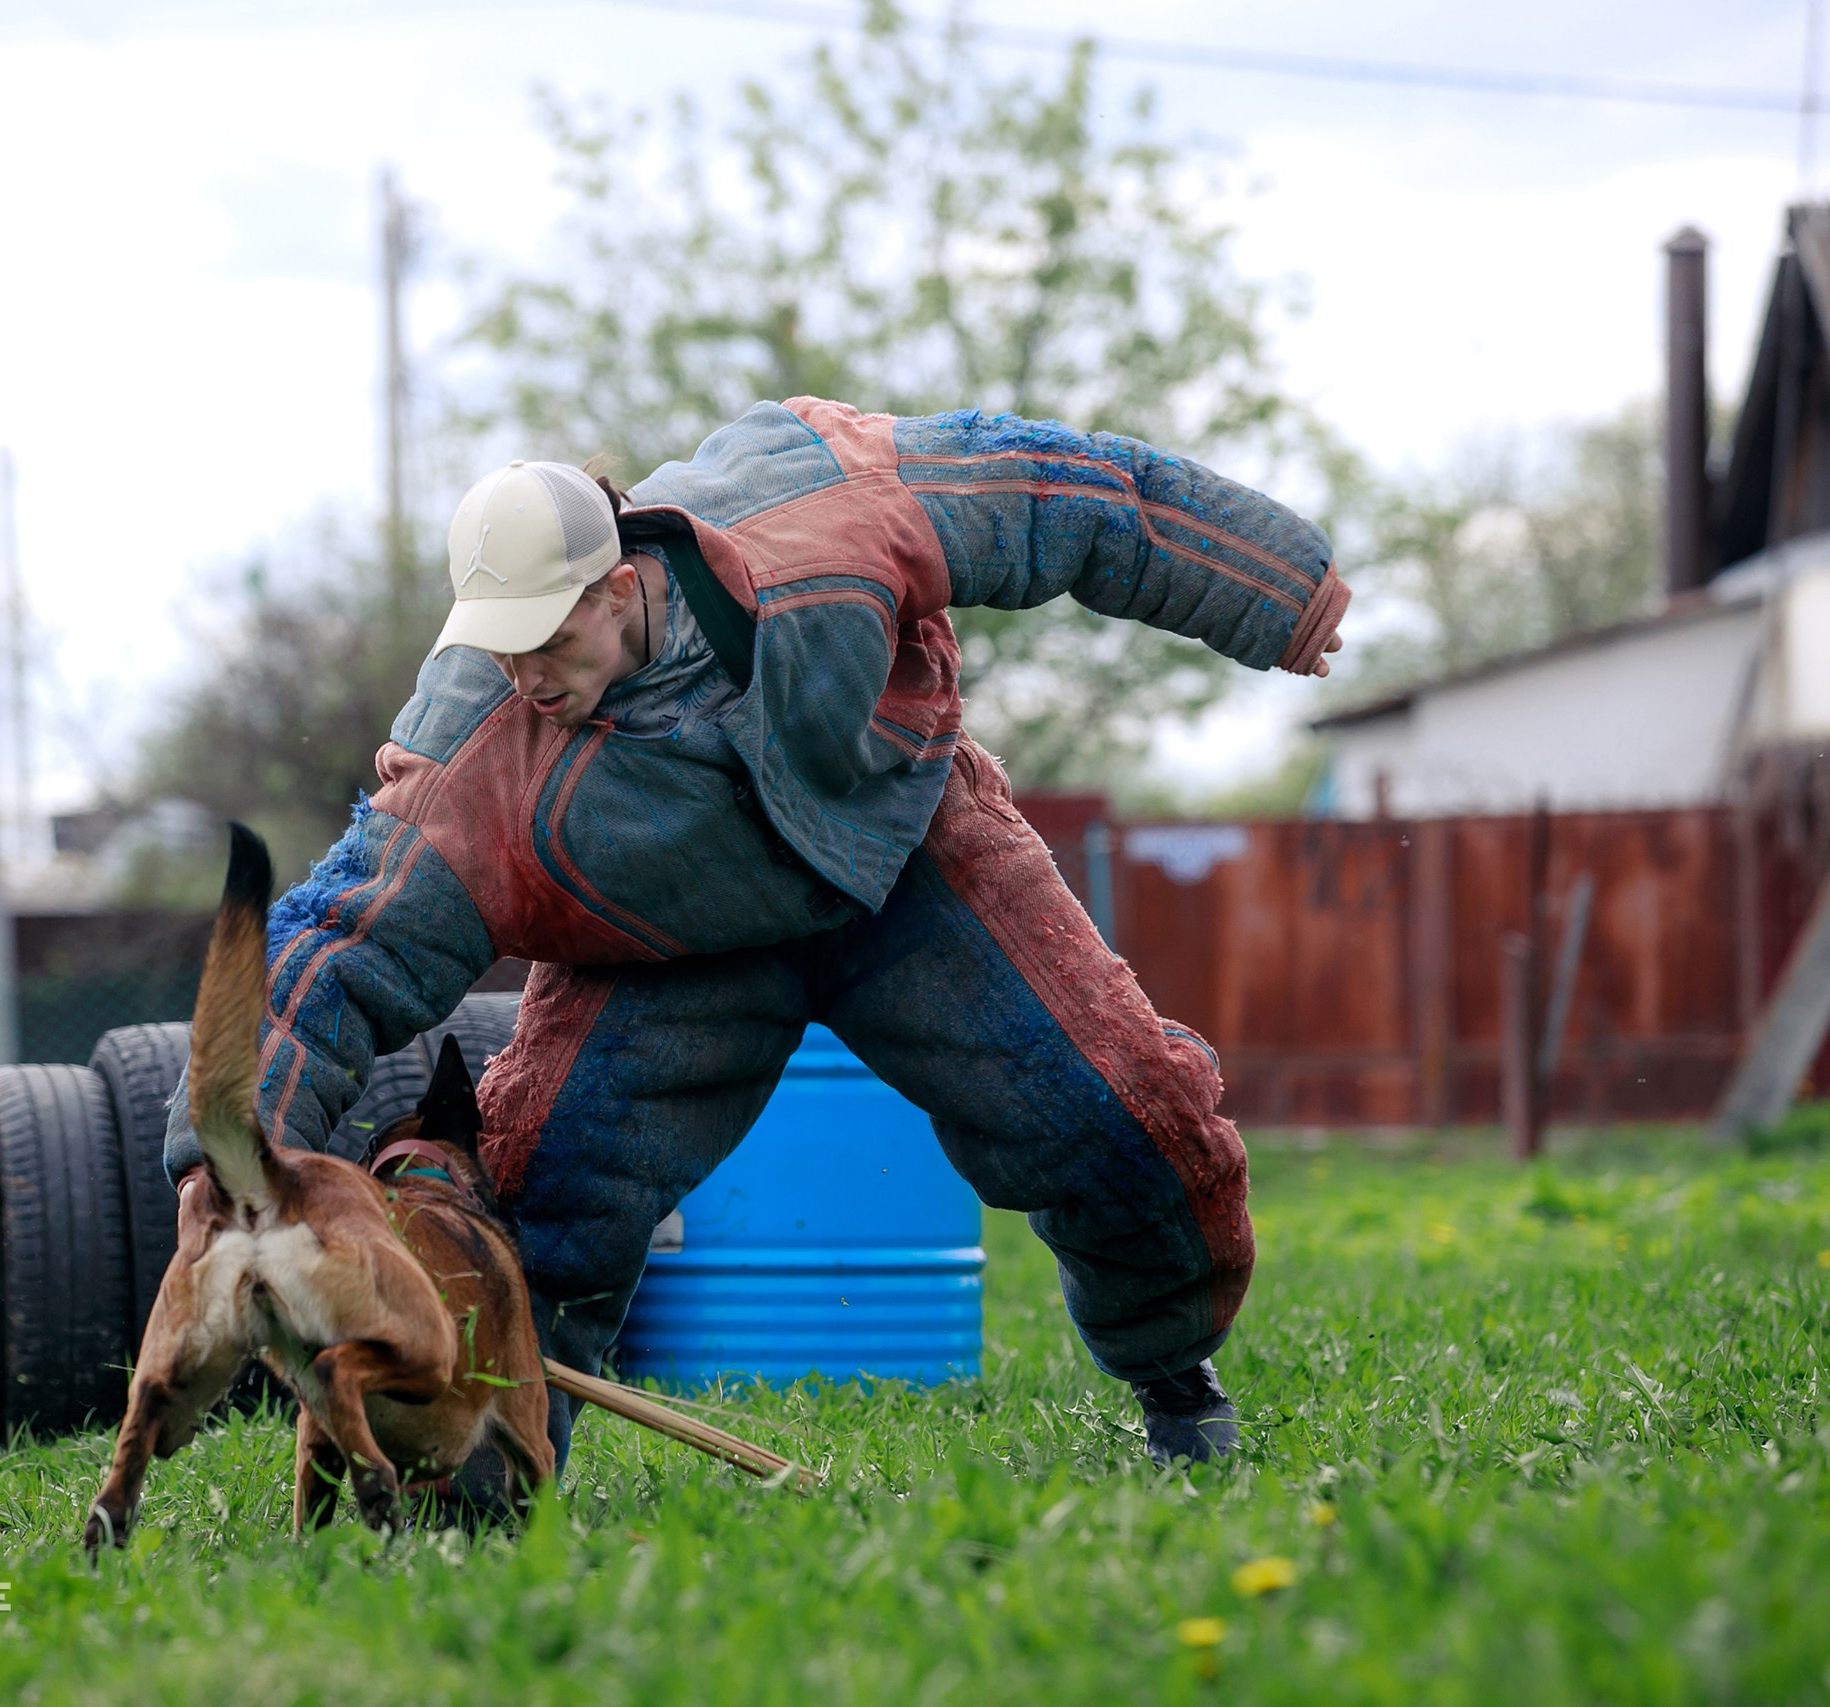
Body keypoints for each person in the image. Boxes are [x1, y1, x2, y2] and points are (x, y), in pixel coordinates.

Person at [163, 396, 1347, 1469]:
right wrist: (228, 1162)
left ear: (617, 586)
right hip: (656, 950)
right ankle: (469, 1493)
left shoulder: (820, 516)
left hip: (903, 856)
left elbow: (1062, 491)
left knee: (1119, 1111)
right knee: (540, 1217)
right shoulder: (469, 758)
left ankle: (1174, 1384)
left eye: (549, 636)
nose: (525, 671)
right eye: (501, 643)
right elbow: (335, 945)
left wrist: (1272, 586)